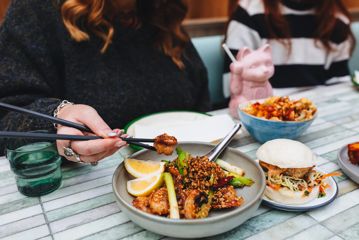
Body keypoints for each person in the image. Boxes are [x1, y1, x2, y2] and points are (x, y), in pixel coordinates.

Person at [0, 0, 210, 163]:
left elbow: (200, 111)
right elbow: (7, 117)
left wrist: (235, 98)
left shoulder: (163, 12)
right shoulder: (36, 10)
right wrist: (57, 116)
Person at [223, 0, 355, 91]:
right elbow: (234, 86)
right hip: (263, 112)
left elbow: (339, 83)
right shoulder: (249, 12)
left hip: (319, 112)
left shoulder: (336, 20)